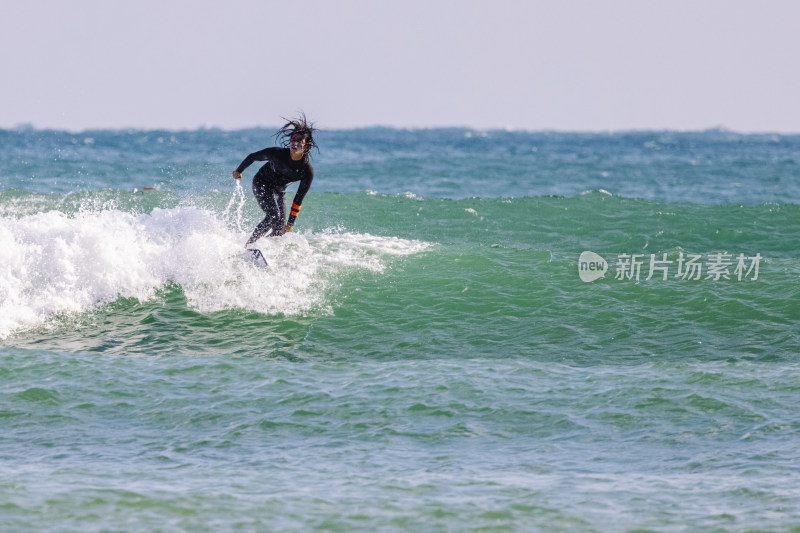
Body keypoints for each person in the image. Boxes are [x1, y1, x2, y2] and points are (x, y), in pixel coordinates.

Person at [232, 114, 317, 248]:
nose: (294, 143)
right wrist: (239, 171)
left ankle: (265, 248)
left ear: (305, 147)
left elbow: (298, 199)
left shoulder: (307, 171)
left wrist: (290, 224)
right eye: (293, 139)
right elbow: (253, 156)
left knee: (280, 228)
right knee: (273, 216)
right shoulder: (277, 154)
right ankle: (249, 246)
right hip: (261, 183)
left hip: (279, 191)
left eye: (299, 141)